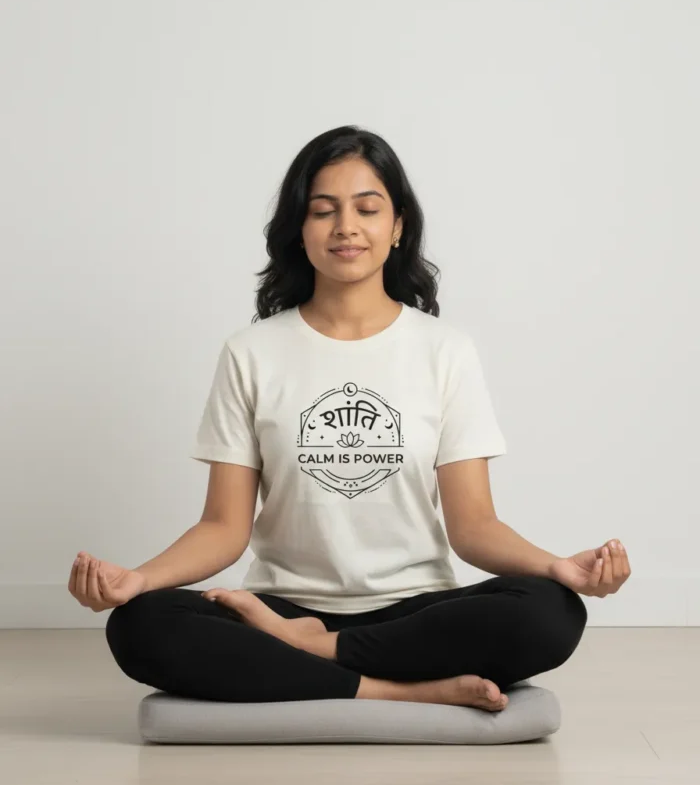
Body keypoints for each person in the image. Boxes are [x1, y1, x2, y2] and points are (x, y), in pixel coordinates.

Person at [69, 125, 630, 713]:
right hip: (280, 606)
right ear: (299, 230)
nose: (346, 227)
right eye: (323, 211)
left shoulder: (446, 351)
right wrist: (139, 579)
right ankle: (396, 687)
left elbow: (474, 527)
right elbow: (223, 527)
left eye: (367, 208)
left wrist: (557, 567)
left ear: (397, 227)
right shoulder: (251, 352)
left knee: (552, 611)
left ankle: (321, 655)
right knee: (141, 624)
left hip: (416, 609)